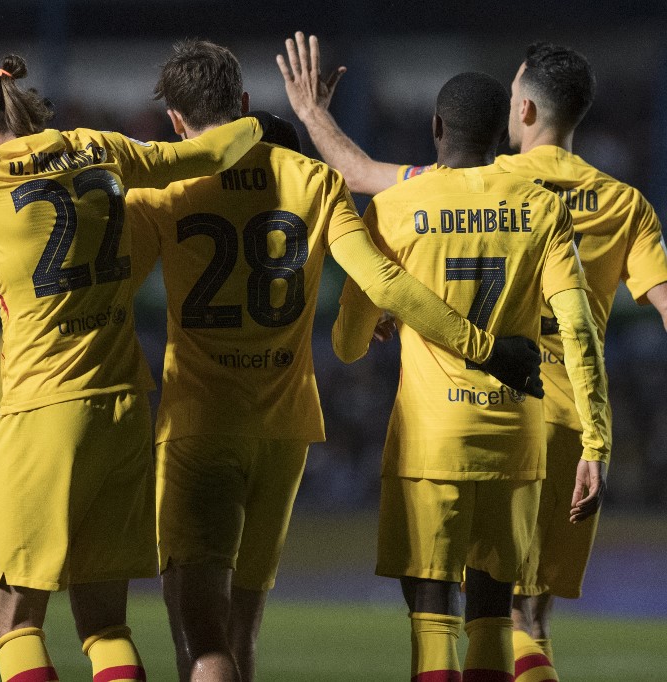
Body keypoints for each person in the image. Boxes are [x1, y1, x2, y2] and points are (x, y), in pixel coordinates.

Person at [0, 60, 275, 682]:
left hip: (42, 413)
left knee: (14, 626)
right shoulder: (100, 146)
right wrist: (260, 123)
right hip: (120, 410)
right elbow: (216, 147)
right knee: (107, 628)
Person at [126, 40, 549, 682]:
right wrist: (485, 346)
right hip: (286, 429)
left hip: (200, 425)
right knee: (242, 633)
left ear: (177, 122)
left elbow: (106, 281)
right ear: (242, 103)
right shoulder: (313, 179)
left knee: (201, 639)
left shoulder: (164, 186)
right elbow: (382, 282)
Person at [279, 33, 667, 680]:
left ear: (523, 113)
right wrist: (601, 442)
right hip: (560, 426)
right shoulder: (623, 204)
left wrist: (313, 112)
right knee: (523, 620)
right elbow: (636, 309)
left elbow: (356, 176)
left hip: (449, 426)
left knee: (438, 608)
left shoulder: (445, 184)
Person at [329, 71, 611, 681]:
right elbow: (579, 329)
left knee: (432, 616)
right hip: (516, 441)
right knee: (492, 615)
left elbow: (349, 346)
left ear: (436, 128)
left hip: (431, 444)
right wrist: (595, 442)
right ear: (501, 138)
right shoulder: (539, 206)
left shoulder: (395, 208)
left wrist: (378, 320)